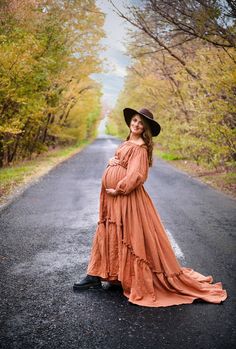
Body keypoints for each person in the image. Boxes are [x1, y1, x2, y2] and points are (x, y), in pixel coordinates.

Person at [73, 107, 228, 308]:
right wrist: (112, 161)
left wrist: (118, 190)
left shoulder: (140, 148)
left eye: (141, 124)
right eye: (135, 121)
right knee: (112, 231)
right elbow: (121, 162)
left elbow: (137, 176)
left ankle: (122, 277)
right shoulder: (128, 141)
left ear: (145, 129)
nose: (136, 125)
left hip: (126, 198)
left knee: (129, 235)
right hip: (113, 198)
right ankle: (101, 275)